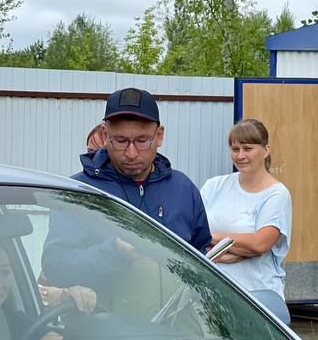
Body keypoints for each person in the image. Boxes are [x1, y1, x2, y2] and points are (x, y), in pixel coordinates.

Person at [42, 87, 211, 312]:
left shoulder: (183, 190)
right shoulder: (78, 193)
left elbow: (202, 265)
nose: (131, 153)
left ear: (159, 135)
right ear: (104, 134)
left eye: (142, 141)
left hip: (176, 338)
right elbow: (56, 268)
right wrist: (114, 252)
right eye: (120, 141)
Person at [201, 118, 293, 324]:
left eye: (248, 148)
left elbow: (260, 243)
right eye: (235, 149)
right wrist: (241, 248)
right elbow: (192, 233)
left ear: (266, 150)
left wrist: (215, 239)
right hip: (213, 293)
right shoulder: (214, 186)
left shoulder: (276, 195)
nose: (240, 155)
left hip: (257, 297)